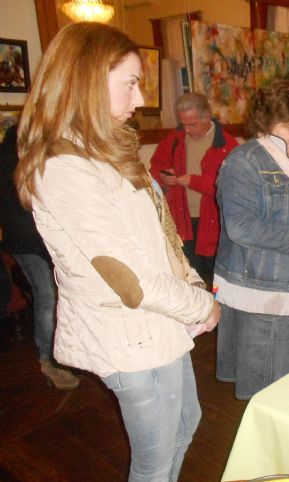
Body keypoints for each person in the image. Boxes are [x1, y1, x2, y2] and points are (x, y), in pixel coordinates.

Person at [14, 22, 219, 481]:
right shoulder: (65, 168)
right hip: (128, 335)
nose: (139, 98)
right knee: (155, 460)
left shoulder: (104, 152)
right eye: (129, 83)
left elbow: (159, 241)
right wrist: (202, 304)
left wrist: (192, 286)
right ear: (86, 80)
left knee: (187, 426)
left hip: (157, 322)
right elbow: (130, 279)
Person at [214, 81, 289, 400]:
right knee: (272, 388)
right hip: (268, 292)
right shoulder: (245, 160)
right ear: (266, 122)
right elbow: (241, 228)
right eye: (288, 127)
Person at [0, 125, 79, 389]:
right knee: (48, 298)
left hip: (31, 240)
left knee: (53, 297)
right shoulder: (19, 165)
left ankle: (62, 353)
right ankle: (49, 361)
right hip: (31, 242)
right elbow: (29, 211)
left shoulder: (18, 159)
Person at [150, 92, 238, 285]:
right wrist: (166, 176)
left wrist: (192, 181)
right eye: (184, 124)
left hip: (215, 224)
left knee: (217, 281)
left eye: (193, 124)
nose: (187, 130)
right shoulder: (175, 138)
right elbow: (155, 167)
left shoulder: (228, 145)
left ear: (207, 117)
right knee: (190, 280)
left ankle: (219, 314)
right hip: (183, 223)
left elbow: (231, 188)